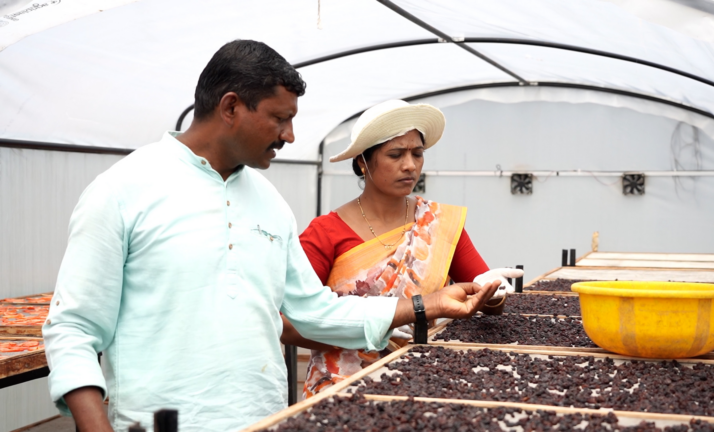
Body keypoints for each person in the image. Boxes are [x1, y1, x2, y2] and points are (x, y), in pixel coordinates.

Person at [42, 41, 500, 432]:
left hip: (262, 418)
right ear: (230, 107)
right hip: (164, 420)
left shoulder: (267, 200)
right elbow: (74, 327)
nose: (290, 134)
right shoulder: (123, 190)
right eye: (280, 118)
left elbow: (314, 311)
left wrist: (427, 305)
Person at [282, 100, 523, 398]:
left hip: (421, 384)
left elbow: (482, 300)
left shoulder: (439, 224)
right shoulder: (325, 233)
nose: (409, 165)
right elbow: (289, 323)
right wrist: (362, 333)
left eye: (417, 154)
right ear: (362, 161)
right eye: (395, 154)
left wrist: (493, 292)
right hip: (341, 389)